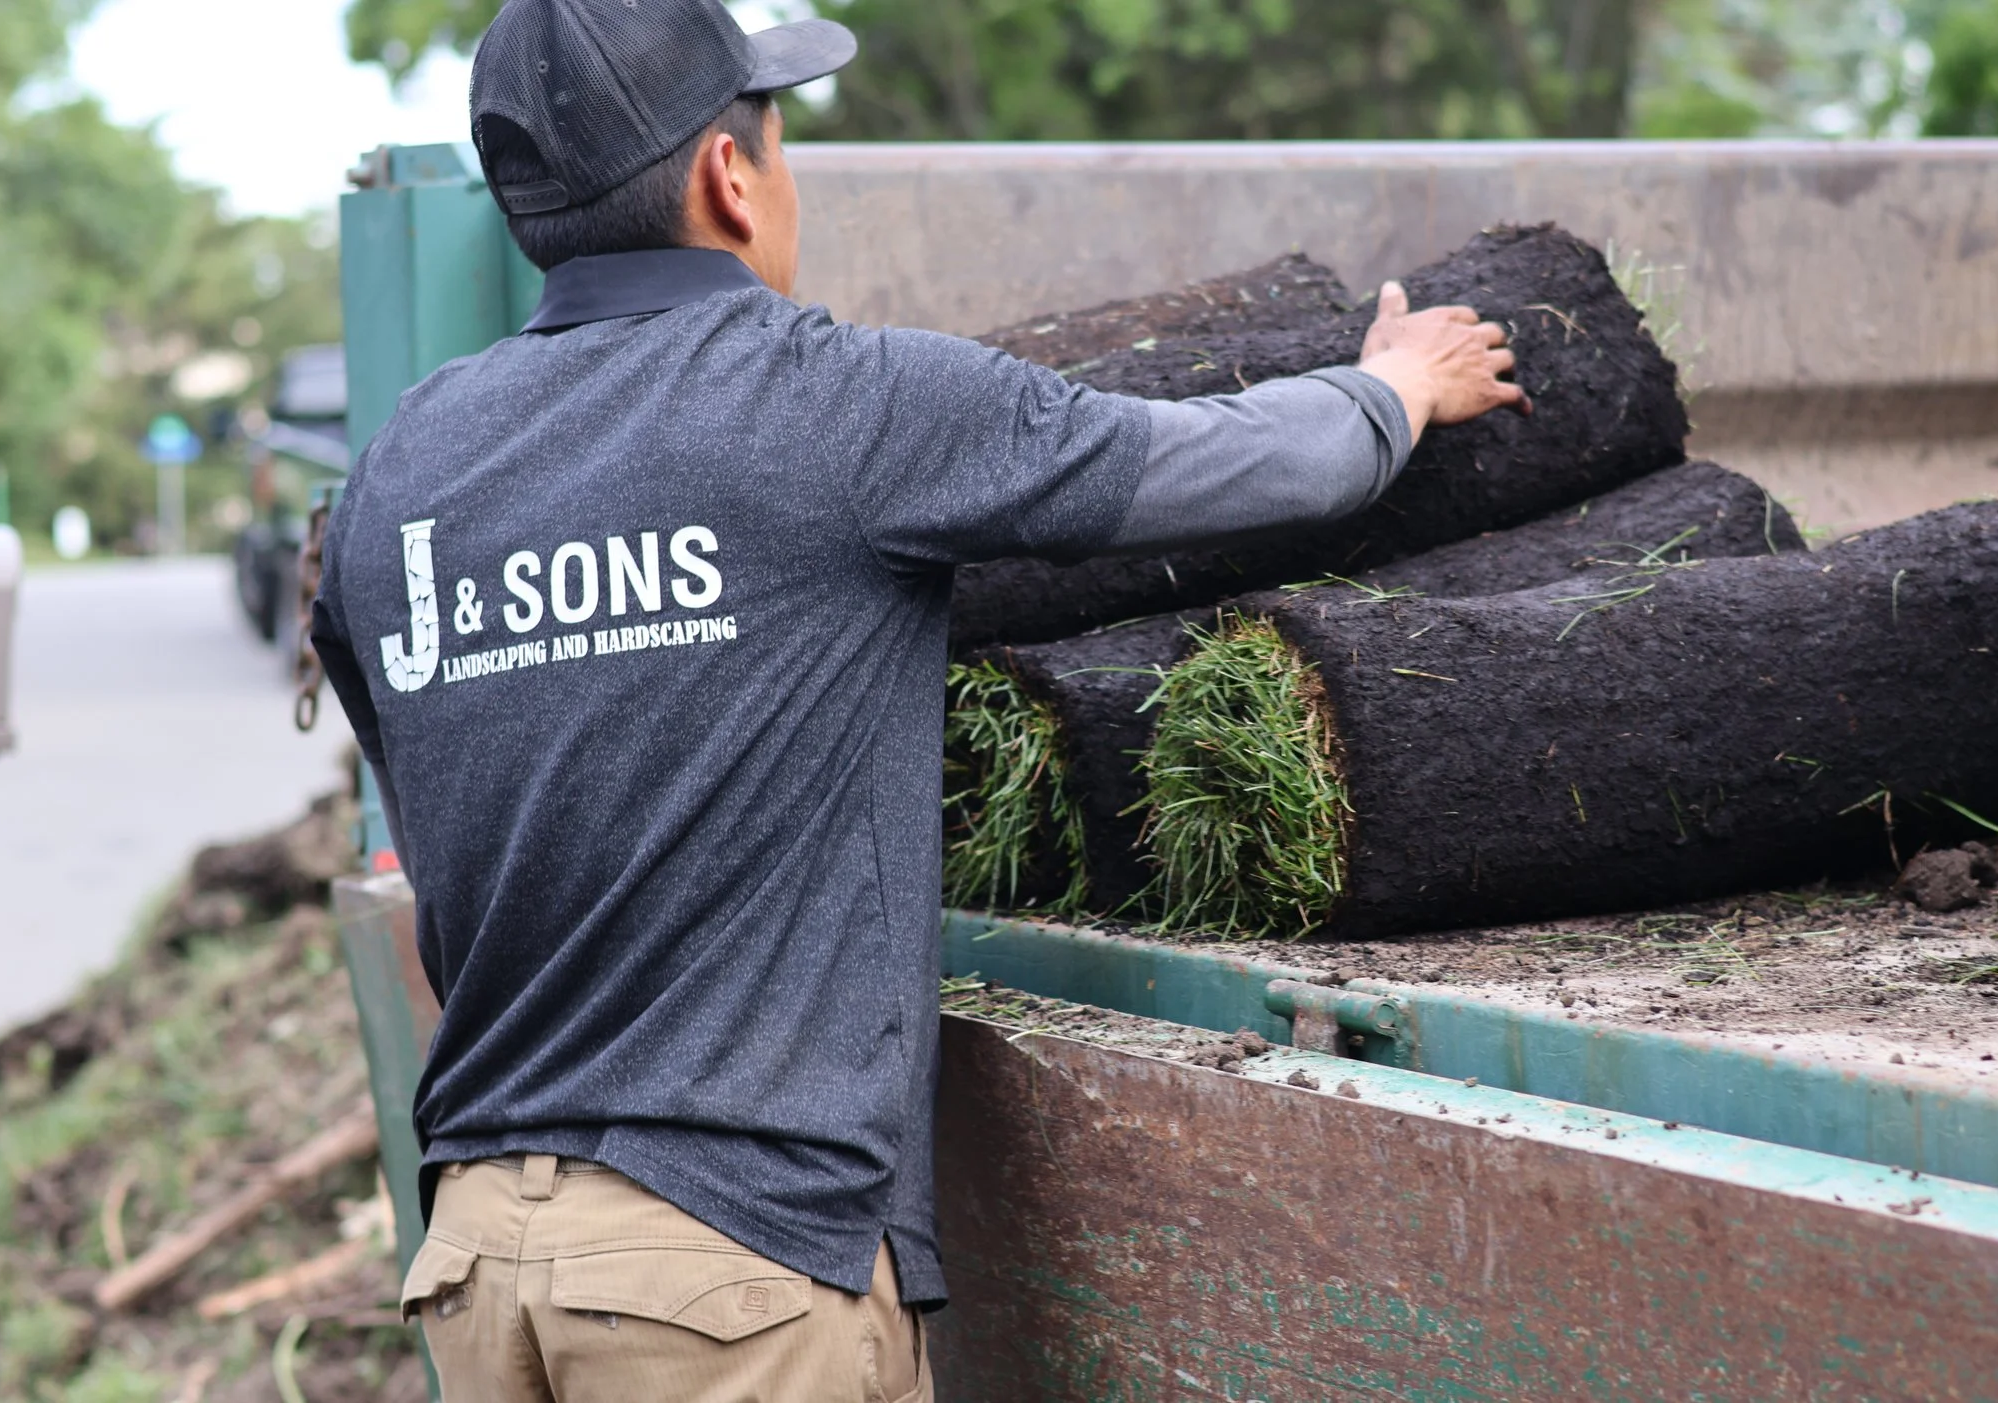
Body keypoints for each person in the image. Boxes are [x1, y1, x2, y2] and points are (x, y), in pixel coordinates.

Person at [307, 1, 1526, 1397]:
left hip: (477, 1263)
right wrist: (1392, 391)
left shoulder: (398, 472)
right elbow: (1227, 466)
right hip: (730, 1275)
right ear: (728, 174)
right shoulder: (838, 404)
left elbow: (433, 786)